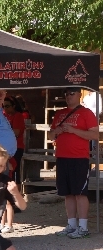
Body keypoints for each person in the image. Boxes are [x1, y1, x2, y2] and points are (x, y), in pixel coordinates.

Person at [49, 88, 99, 239]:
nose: (68, 96)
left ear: (79, 95)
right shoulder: (59, 113)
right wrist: (57, 131)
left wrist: (73, 130)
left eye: (72, 93)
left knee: (80, 192)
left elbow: (95, 134)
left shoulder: (86, 113)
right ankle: (71, 224)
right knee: (67, 193)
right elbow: (50, 135)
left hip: (79, 157)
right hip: (62, 156)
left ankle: (83, 227)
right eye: (66, 94)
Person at [0, 96, 26, 233]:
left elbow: (17, 132)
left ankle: (16, 200)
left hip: (16, 148)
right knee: (8, 175)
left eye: (8, 106)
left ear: (14, 106)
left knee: (14, 174)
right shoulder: (4, 116)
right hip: (5, 148)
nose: (5, 108)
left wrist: (4, 131)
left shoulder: (18, 116)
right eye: (4, 106)